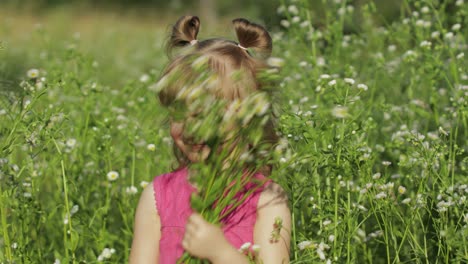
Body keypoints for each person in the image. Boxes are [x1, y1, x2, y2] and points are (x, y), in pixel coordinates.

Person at [129, 15, 291, 264]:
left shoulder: (267, 200)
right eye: (180, 113)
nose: (192, 127)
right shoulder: (158, 196)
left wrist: (221, 254)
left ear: (247, 120)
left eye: (207, 113)